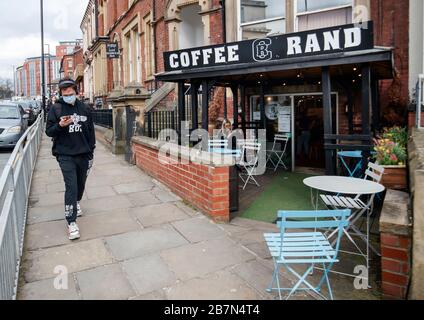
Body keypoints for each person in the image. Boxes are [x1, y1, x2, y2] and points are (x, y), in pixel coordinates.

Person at [46, 78, 96, 240]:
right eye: (65, 94)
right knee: (71, 186)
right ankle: (71, 222)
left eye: (71, 93)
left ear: (76, 92)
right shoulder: (56, 108)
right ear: (61, 93)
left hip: (84, 154)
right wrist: (60, 125)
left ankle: (77, 202)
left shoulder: (84, 108)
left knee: (81, 185)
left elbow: (90, 131)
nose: (68, 96)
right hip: (65, 154)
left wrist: (91, 151)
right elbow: (49, 132)